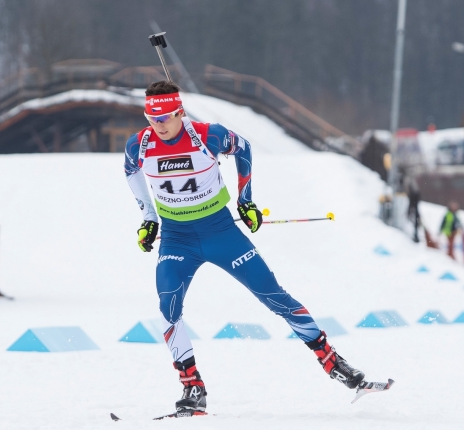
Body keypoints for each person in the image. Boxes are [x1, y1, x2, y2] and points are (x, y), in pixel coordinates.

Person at [124, 81, 365, 413]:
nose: (159, 124)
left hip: (220, 232)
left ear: (180, 112)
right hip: (177, 237)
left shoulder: (208, 135)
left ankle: (332, 361)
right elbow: (130, 172)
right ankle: (193, 388)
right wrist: (148, 218)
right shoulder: (140, 144)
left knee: (273, 295)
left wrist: (246, 201)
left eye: (165, 116)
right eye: (152, 117)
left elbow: (244, 148)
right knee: (168, 307)